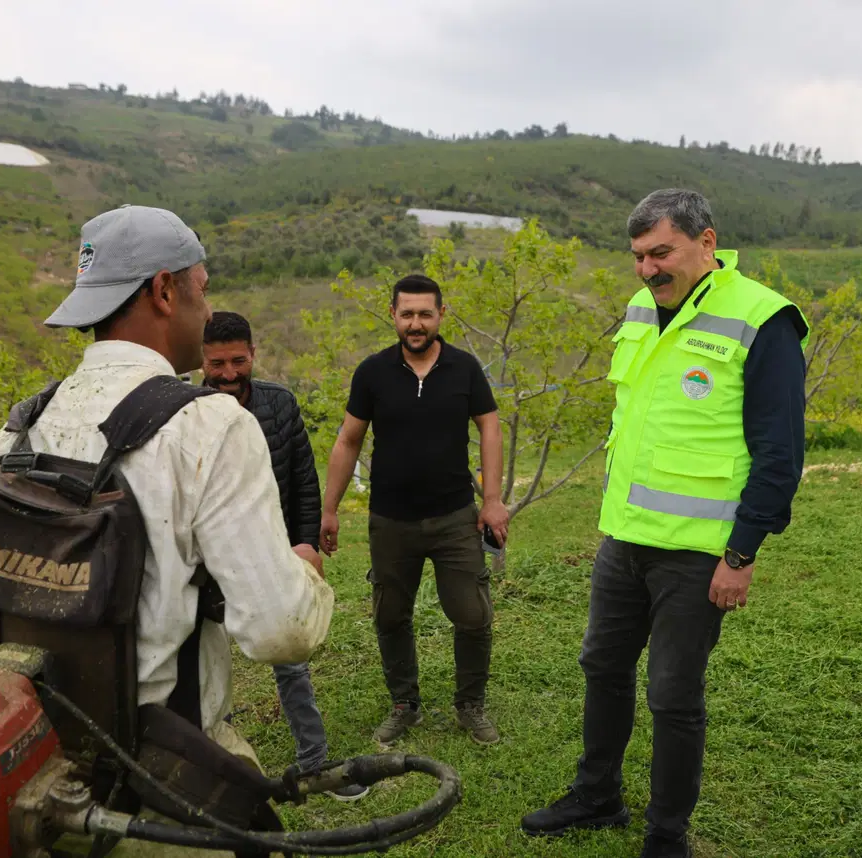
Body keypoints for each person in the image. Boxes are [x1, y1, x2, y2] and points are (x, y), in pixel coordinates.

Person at [0, 204, 334, 786]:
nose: (207, 311)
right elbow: (279, 629)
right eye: (202, 290)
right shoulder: (211, 425)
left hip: (36, 759)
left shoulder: (24, 423)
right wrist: (305, 572)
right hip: (161, 769)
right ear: (163, 291)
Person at [522, 189, 809, 858]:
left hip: (699, 552)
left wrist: (741, 554)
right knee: (602, 666)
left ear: (706, 243)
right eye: (638, 256)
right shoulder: (640, 308)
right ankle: (597, 796)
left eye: (661, 253)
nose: (648, 269)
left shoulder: (763, 319)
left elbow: (780, 454)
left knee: (673, 694)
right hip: (624, 537)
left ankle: (666, 832)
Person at [320, 274, 509, 747]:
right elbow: (348, 440)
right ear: (393, 315)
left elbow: (489, 428)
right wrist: (329, 509)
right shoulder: (372, 372)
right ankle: (404, 704)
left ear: (441, 314)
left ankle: (470, 705)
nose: (416, 323)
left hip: (455, 516)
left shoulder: (465, 368)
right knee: (390, 615)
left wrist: (491, 500)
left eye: (425, 314)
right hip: (391, 519)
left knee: (472, 613)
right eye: (407, 314)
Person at [201, 310, 366, 801]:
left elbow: (303, 481)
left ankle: (315, 764)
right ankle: (216, 772)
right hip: (206, 560)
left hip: (273, 550)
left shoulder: (280, 404)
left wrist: (307, 544)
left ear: (253, 354)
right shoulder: (184, 410)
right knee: (207, 666)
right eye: (217, 363)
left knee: (290, 657)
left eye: (238, 361)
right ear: (201, 361)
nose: (228, 373)